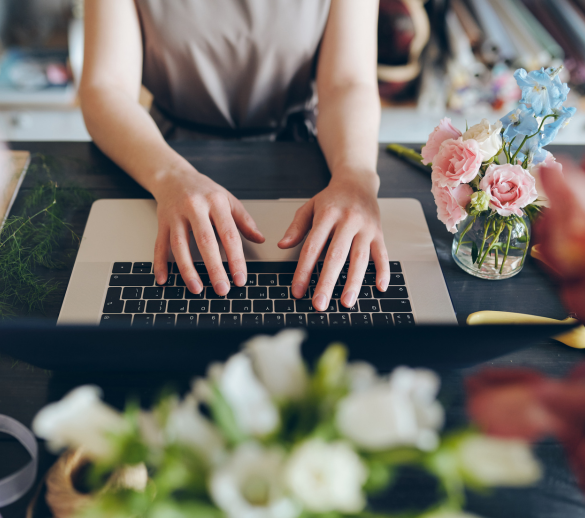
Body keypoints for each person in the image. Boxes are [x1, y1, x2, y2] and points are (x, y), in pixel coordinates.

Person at [80, 0, 389, 313]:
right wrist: (170, 176)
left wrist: (355, 176)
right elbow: (106, 87)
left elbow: (347, 83)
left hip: (304, 161)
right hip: (160, 158)